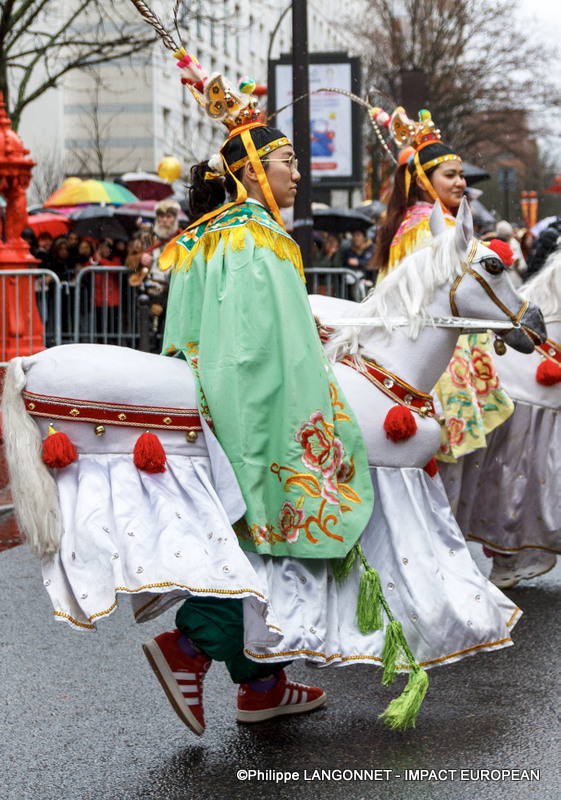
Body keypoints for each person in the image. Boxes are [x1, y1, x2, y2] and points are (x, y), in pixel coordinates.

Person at [143, 59, 375, 735]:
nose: (296, 172)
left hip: (204, 410)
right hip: (257, 415)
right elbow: (270, 351)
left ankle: (262, 685)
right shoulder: (259, 237)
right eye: (285, 161)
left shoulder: (198, 238)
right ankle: (186, 646)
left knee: (244, 539)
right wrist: (322, 413)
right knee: (268, 539)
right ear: (249, 172)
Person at [370, 107, 514, 462]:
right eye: (450, 175)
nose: (461, 183)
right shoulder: (432, 228)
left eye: (462, 175)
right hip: (434, 358)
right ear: (422, 181)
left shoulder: (413, 220)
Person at [128, 199, 182, 352]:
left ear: (175, 218)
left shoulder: (182, 237)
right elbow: (129, 260)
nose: (165, 220)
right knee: (149, 337)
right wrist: (140, 258)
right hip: (150, 293)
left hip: (174, 293)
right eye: (162, 216)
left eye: (169, 216)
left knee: (170, 337)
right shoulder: (147, 238)